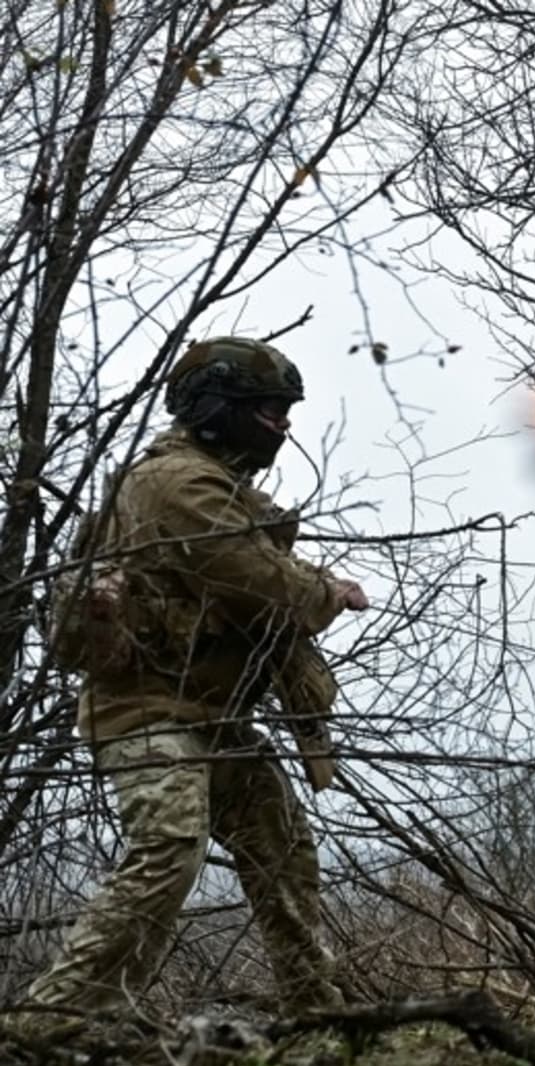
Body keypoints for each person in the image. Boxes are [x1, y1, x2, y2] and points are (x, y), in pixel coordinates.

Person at [23, 336, 368, 1022]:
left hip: (209, 716)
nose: (282, 426)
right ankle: (50, 1020)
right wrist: (326, 590)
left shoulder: (215, 481)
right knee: (169, 850)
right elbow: (256, 577)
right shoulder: (175, 483)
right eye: (268, 411)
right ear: (216, 409)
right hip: (148, 713)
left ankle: (315, 1012)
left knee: (282, 847)